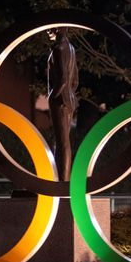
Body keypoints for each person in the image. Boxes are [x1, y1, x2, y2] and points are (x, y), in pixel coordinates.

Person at [47, 27, 78, 181]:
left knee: (62, 142)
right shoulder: (71, 49)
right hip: (69, 100)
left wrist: (52, 97)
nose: (47, 32)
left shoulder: (59, 49)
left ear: (59, 29)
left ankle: (62, 181)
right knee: (64, 141)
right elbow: (75, 81)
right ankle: (62, 179)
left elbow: (64, 80)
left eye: (50, 29)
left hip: (60, 101)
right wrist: (69, 95)